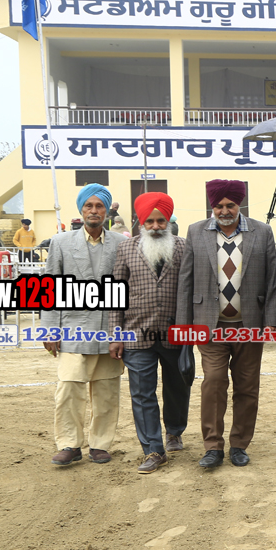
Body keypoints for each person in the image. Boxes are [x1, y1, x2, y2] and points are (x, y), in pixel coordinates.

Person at [176, 179, 276, 470]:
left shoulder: (262, 231)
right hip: (210, 326)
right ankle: (213, 446)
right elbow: (185, 282)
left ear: (239, 204)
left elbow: (273, 281)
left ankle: (239, 445)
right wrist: (184, 327)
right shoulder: (195, 232)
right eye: (219, 206)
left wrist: (272, 322)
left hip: (249, 326)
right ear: (212, 206)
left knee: (247, 386)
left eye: (230, 205)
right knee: (213, 382)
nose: (224, 211)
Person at [42, 183, 126, 466]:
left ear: (107, 211)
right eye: (88, 205)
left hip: (109, 331)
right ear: (81, 209)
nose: (94, 211)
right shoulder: (61, 243)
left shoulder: (122, 243)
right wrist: (49, 328)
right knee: (68, 388)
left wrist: (121, 332)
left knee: (106, 392)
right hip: (72, 329)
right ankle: (69, 444)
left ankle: (100, 445)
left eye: (99, 206)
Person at [109, 191, 190, 474]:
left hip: (176, 334)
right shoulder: (126, 248)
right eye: (150, 222)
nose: (156, 227)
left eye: (161, 221)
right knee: (142, 394)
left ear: (168, 221)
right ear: (140, 223)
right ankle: (153, 450)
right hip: (136, 333)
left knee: (178, 387)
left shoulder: (184, 247)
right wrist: (115, 334)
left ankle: (175, 430)